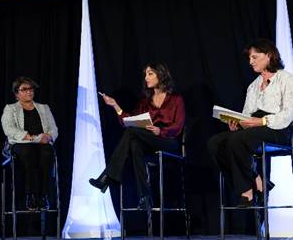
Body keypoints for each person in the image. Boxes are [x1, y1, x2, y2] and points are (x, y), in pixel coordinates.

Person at [208, 39, 293, 207]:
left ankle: (246, 192)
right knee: (215, 143)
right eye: (249, 58)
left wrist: (261, 121)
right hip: (253, 127)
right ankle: (257, 181)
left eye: (255, 57)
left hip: (278, 128)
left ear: (268, 56)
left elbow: (288, 114)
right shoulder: (253, 86)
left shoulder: (286, 79)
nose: (250, 61)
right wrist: (238, 124)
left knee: (236, 140)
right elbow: (247, 115)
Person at [89, 62, 185, 209]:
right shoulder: (145, 102)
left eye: (150, 74)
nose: (146, 77)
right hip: (148, 140)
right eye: (145, 74)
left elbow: (178, 126)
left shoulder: (176, 99)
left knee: (132, 134)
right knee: (134, 145)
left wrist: (161, 131)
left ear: (161, 75)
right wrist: (116, 106)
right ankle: (145, 197)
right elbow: (129, 121)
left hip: (169, 141)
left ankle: (107, 177)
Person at [1, 77, 58, 211]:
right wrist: (29, 137)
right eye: (24, 89)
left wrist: (48, 136)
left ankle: (43, 195)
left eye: (31, 89)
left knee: (47, 153)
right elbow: (8, 129)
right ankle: (31, 195)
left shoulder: (44, 108)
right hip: (21, 143)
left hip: (42, 144)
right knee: (28, 152)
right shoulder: (10, 109)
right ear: (17, 94)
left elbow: (54, 128)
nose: (29, 92)